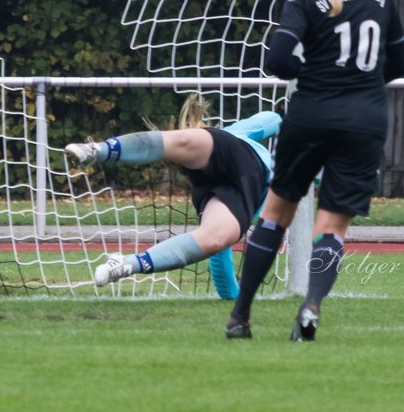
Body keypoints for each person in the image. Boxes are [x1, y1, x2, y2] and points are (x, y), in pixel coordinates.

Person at [226, 0, 404, 341]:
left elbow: (278, 63)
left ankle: (241, 315)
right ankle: (311, 306)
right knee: (332, 226)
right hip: (365, 120)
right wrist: (358, 88)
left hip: (311, 116)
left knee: (275, 213)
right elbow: (398, 64)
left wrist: (316, 74)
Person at [65, 95, 282, 293]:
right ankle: (97, 151)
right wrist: (286, 124)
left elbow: (219, 255)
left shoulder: (285, 186)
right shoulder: (237, 135)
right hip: (236, 153)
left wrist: (234, 299)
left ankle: (126, 265)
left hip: (243, 190)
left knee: (217, 238)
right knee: (182, 141)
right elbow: (270, 119)